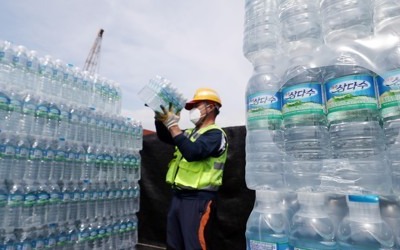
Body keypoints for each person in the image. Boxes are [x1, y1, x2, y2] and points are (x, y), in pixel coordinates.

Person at [154, 87, 228, 250]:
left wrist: (173, 125)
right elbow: (165, 136)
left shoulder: (215, 135)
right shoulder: (190, 133)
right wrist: (160, 118)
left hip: (198, 200)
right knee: (174, 244)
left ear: (210, 107)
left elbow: (193, 152)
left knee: (194, 244)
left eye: (197, 105)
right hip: (179, 197)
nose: (193, 110)